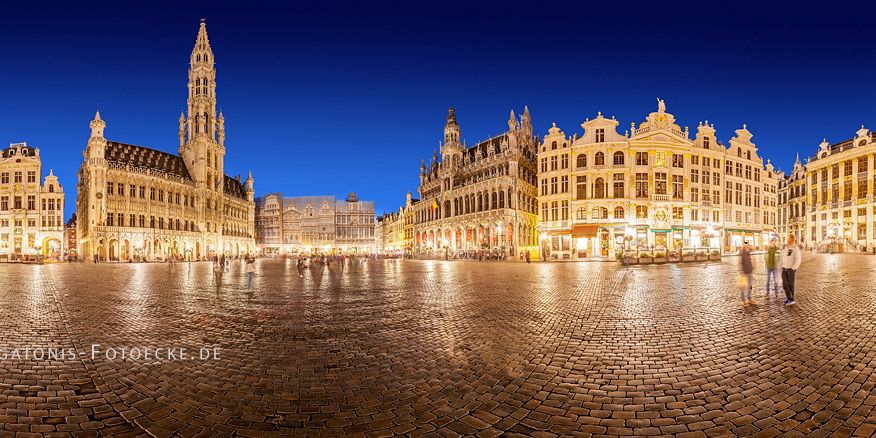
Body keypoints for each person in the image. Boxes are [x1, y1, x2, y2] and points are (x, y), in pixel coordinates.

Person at [781, 235, 802, 305]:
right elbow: (784, 257)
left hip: (790, 269)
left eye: (789, 238)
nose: (787, 239)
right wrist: (782, 265)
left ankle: (791, 299)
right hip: (784, 268)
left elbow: (798, 260)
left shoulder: (795, 248)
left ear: (792, 239)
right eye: (788, 238)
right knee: (784, 284)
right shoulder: (786, 247)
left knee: (790, 284)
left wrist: (793, 268)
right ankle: (788, 298)